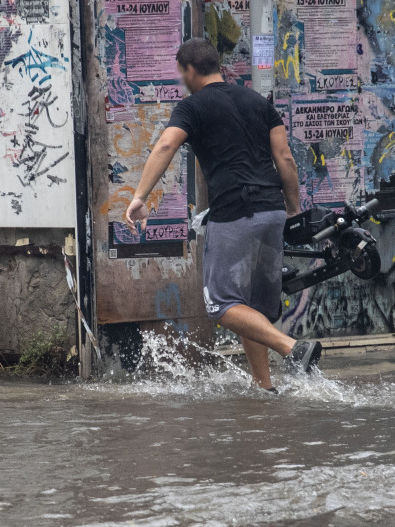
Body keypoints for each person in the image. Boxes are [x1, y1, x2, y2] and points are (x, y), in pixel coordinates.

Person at [124, 38, 321, 392]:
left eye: (181, 72)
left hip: (235, 213)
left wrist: (139, 197)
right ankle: (264, 386)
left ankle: (292, 348)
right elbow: (285, 159)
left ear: (189, 69)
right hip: (272, 211)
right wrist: (292, 210)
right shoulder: (259, 102)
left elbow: (167, 144)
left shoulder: (192, 107)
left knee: (222, 304)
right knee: (251, 308)